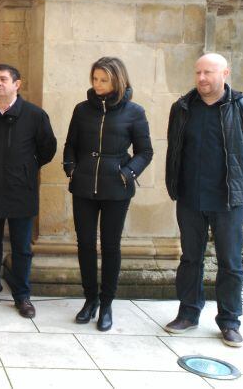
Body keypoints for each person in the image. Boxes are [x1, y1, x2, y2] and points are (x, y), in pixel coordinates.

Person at [164, 53, 243, 347]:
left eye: (208, 72)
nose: (201, 78)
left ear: (225, 73)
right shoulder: (182, 107)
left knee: (231, 263)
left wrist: (238, 181)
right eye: (198, 72)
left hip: (228, 201)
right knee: (190, 259)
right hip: (190, 198)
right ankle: (188, 313)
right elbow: (175, 149)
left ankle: (230, 321)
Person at [63, 57, 153, 331]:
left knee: (111, 246)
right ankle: (89, 299)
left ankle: (106, 303)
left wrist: (127, 173)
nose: (98, 85)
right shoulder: (82, 110)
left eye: (104, 80)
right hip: (83, 187)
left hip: (116, 189)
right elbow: (71, 145)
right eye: (95, 79)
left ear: (117, 80)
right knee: (85, 244)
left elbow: (145, 152)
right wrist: (71, 168)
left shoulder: (133, 111)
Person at [0, 64, 56, 318]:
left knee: (21, 248)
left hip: (20, 190)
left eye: (4, 79)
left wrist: (26, 167)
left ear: (17, 84)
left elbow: (47, 148)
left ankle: (22, 296)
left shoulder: (35, 115)